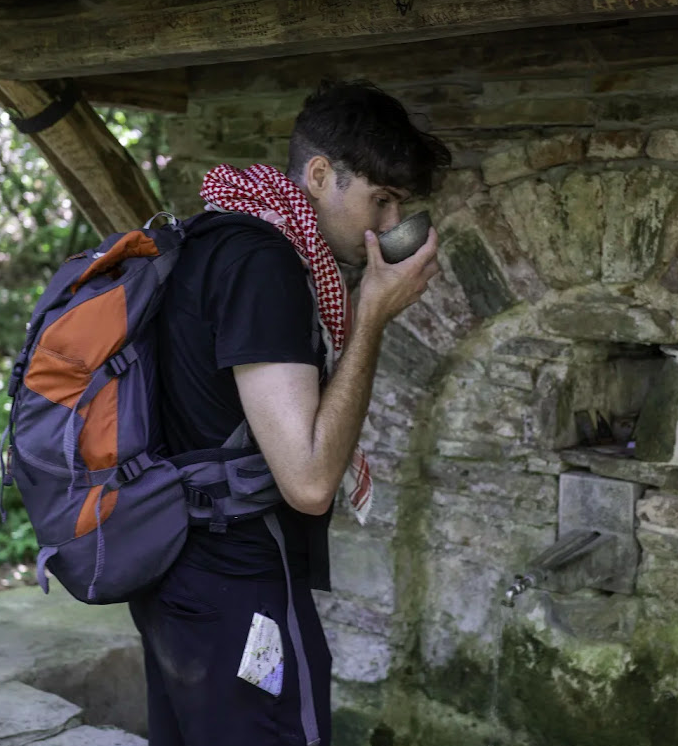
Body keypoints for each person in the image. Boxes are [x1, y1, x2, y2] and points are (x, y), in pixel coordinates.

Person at [128, 79, 451, 746]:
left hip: (182, 575)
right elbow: (307, 481)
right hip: (235, 583)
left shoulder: (214, 239)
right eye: (380, 200)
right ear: (320, 174)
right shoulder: (263, 263)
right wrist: (372, 319)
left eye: (400, 206)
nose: (389, 226)